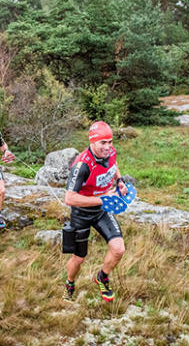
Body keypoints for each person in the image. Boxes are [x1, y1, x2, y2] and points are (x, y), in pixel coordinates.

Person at [62, 121, 128, 303]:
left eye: (110, 142)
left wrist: (119, 181)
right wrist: (103, 199)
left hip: (102, 211)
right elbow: (69, 198)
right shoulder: (82, 165)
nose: (108, 147)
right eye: (103, 143)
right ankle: (69, 283)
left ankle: (102, 277)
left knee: (118, 249)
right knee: (79, 258)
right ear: (92, 141)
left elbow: (113, 165)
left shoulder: (111, 152)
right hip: (81, 213)